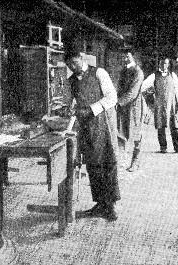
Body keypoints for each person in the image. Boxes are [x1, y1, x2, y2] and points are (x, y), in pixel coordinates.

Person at [65, 47, 120, 221]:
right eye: (69, 65)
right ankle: (100, 204)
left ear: (82, 58)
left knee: (107, 163)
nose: (73, 67)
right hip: (86, 127)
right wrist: (71, 108)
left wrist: (90, 109)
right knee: (92, 165)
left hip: (102, 124)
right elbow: (74, 100)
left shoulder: (99, 73)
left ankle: (110, 206)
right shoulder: (72, 80)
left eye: (74, 63)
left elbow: (112, 97)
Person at [141, 56, 178, 154]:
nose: (164, 65)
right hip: (159, 105)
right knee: (160, 125)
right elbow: (143, 86)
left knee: (174, 126)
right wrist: (149, 93)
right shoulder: (154, 76)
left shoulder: (172, 75)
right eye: (162, 63)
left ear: (168, 65)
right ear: (159, 64)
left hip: (171, 104)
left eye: (166, 63)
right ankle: (163, 147)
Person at [116, 50, 146, 172]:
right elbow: (119, 88)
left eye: (128, 56)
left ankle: (136, 161)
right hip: (123, 107)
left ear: (134, 57)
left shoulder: (138, 72)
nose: (125, 58)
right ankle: (121, 161)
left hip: (135, 108)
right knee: (120, 133)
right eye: (123, 56)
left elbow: (133, 93)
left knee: (136, 135)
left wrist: (118, 102)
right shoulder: (124, 71)